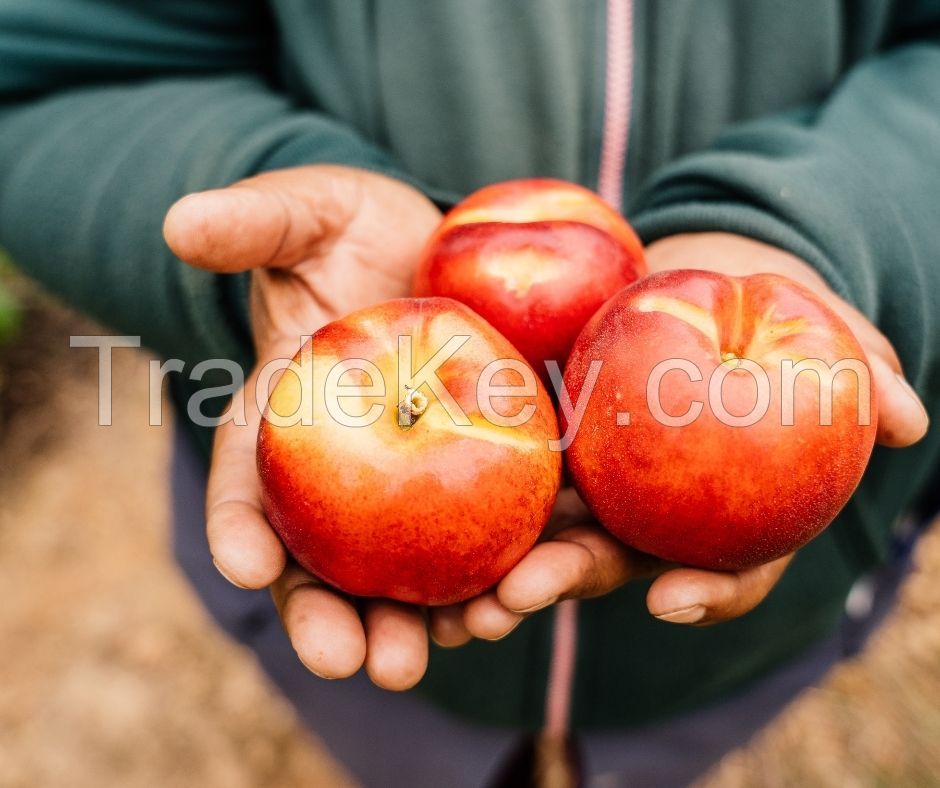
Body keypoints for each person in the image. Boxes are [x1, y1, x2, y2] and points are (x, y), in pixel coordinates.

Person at [1, 1, 937, 785]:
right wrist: (252, 193)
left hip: (738, 650)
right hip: (388, 672)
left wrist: (823, 226)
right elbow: (41, 67)